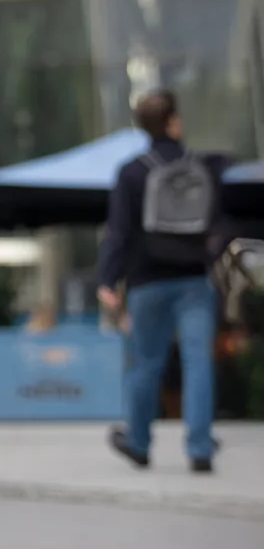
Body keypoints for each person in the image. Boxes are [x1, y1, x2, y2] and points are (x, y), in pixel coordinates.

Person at [97, 89, 233, 473]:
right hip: (194, 280)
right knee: (197, 362)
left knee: (145, 363)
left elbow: (118, 230)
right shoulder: (204, 167)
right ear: (173, 121)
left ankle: (139, 441)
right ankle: (200, 446)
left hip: (147, 282)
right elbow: (219, 222)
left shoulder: (133, 171)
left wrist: (108, 277)